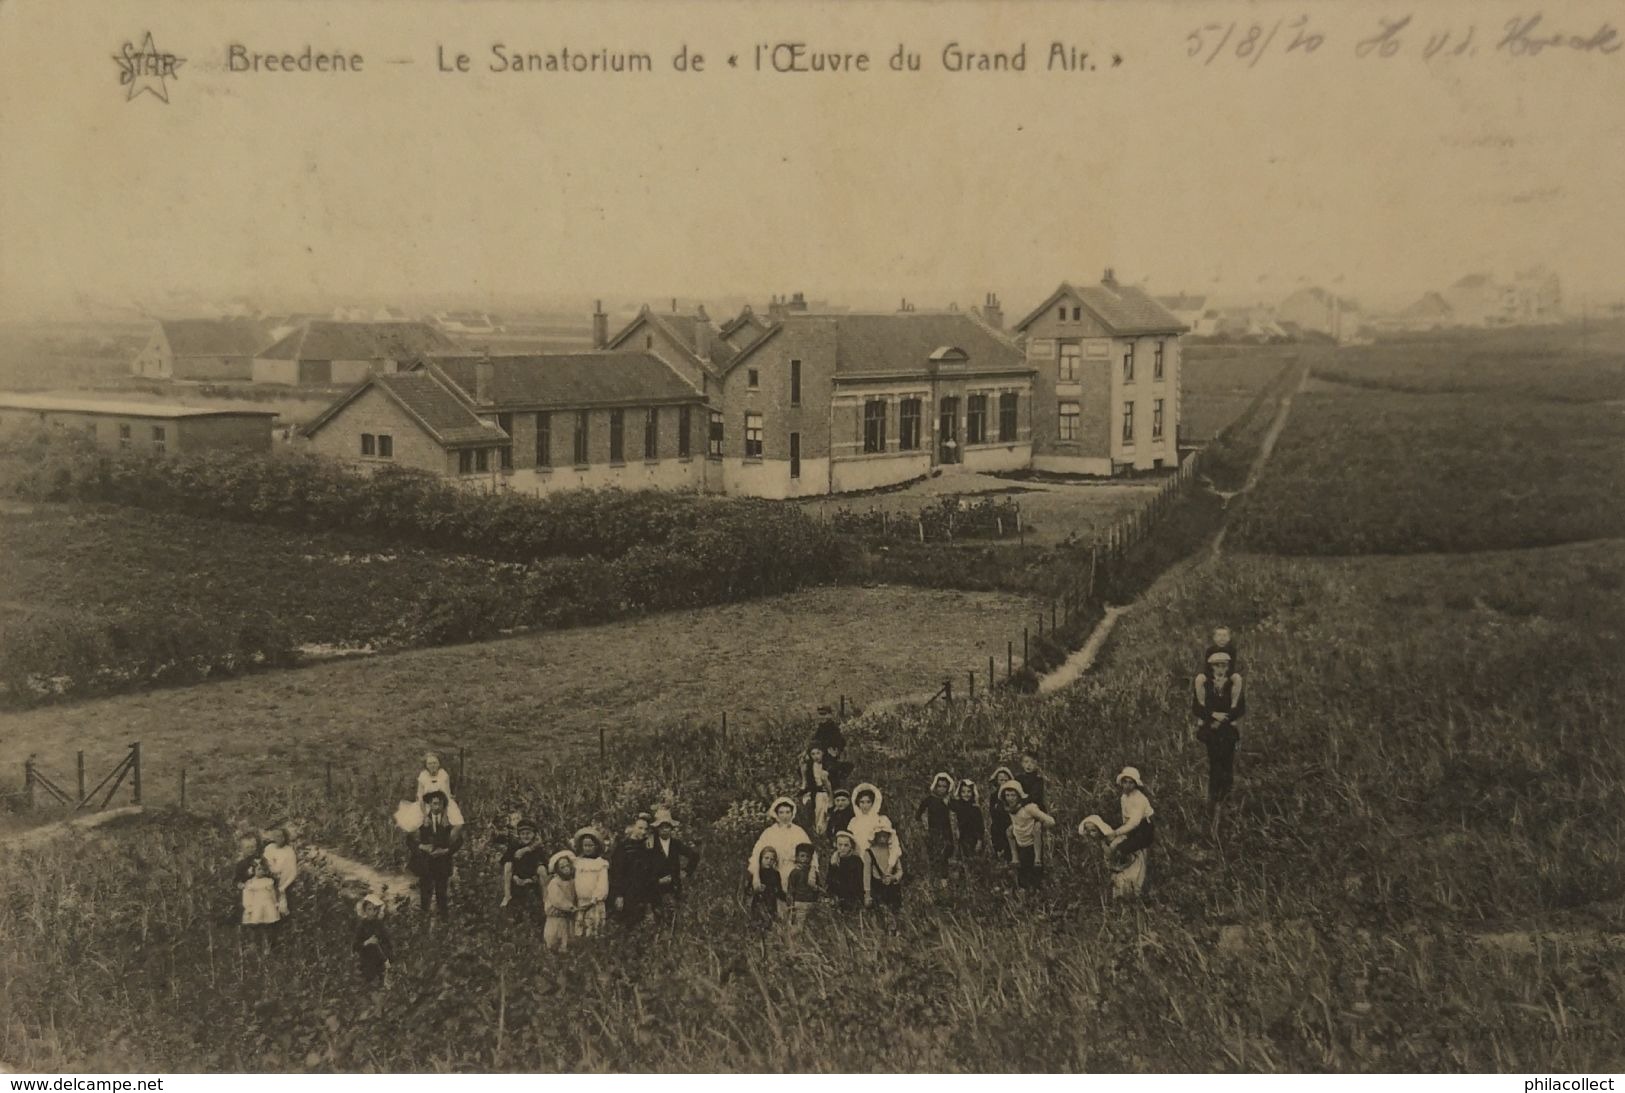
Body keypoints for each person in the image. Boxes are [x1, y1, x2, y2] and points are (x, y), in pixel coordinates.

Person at [1079, 767, 1156, 900]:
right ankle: (1121, 882)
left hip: (1144, 828)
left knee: (1123, 849)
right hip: (1131, 828)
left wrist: (1117, 832)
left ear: (1135, 784)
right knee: (1116, 845)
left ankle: (1135, 885)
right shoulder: (1124, 798)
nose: (1127, 785)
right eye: (1125, 782)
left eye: (1130, 782)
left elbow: (1135, 822)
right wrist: (1122, 834)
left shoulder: (1139, 799)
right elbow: (1125, 818)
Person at [1193, 649, 1246, 830]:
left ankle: (1227, 800)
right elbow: (1197, 708)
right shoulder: (1206, 684)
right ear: (1211, 667)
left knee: (1228, 764)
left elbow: (1240, 708)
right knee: (1215, 763)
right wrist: (1213, 715)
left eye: (1224, 665)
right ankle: (1213, 801)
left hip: (1227, 730)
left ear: (1228, 667)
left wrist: (1226, 718)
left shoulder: (1232, 684)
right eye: (1217, 665)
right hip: (1212, 731)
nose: (1220, 669)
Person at [408, 790, 460, 916]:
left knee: (442, 896)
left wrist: (446, 850)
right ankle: (424, 921)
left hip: (442, 863)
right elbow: (409, 840)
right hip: (426, 864)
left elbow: (459, 841)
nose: (436, 807)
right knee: (425, 895)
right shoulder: (421, 821)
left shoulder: (449, 821)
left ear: (443, 805)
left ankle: (444, 924)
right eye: (434, 804)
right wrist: (422, 846)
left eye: (439, 804)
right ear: (429, 805)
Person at [1000, 781, 1057, 891]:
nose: (1010, 798)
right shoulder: (1010, 809)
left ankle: (1038, 897)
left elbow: (1051, 821)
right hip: (1020, 844)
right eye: (1007, 795)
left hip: (1032, 845)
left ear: (1019, 795)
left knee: (1035, 875)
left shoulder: (1029, 808)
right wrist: (1014, 828)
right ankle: (1025, 898)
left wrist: (1040, 825)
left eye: (1013, 795)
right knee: (1022, 876)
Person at [748, 797, 813, 891]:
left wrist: (812, 871)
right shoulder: (769, 832)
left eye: (787, 812)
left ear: (792, 813)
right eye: (781, 812)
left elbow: (811, 852)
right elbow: (757, 854)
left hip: (794, 872)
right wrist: (756, 876)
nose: (785, 816)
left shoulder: (799, 831)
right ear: (776, 814)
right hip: (774, 872)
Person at [394, 752, 465, 833]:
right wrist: (425, 816)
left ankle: (447, 843)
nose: (432, 765)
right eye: (430, 763)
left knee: (458, 824)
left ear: (439, 764)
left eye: (435, 763)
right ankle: (423, 843)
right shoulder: (423, 776)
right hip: (426, 804)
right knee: (411, 825)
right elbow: (420, 797)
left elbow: (447, 795)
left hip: (443, 804)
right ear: (426, 765)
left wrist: (445, 815)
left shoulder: (444, 774)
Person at [647, 810, 700, 917]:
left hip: (673, 887)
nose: (665, 830)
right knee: (657, 915)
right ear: (657, 829)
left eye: (667, 827)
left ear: (671, 828)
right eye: (662, 827)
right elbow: (644, 867)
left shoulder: (676, 844)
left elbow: (694, 855)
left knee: (673, 915)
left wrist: (686, 871)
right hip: (655, 888)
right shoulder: (651, 845)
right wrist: (657, 880)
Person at [609, 812, 656, 925]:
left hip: (642, 893)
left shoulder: (646, 847)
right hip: (626, 893)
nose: (643, 832)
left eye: (645, 829)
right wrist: (619, 895)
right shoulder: (623, 847)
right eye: (640, 828)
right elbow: (617, 873)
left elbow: (650, 873)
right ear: (632, 827)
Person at [914, 772, 955, 884]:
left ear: (948, 788)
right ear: (935, 786)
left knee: (945, 855)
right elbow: (918, 814)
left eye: (944, 786)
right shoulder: (929, 800)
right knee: (933, 856)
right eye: (939, 786)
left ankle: (944, 880)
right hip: (933, 832)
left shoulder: (949, 801)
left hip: (947, 832)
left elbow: (957, 813)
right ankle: (933, 881)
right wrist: (923, 823)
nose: (941, 789)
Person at [572, 827, 611, 937]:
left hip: (594, 903)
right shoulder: (578, 862)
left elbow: (602, 884)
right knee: (581, 929)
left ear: (596, 847)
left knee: (594, 928)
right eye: (585, 846)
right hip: (581, 902)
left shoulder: (600, 864)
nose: (587, 848)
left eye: (590, 846)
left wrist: (595, 899)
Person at [500, 819, 546, 912]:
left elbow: (544, 864)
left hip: (532, 878)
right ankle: (507, 896)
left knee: (542, 869)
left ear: (534, 834)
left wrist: (528, 849)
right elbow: (504, 861)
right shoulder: (514, 847)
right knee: (508, 865)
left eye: (528, 833)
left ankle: (546, 898)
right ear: (519, 835)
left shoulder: (537, 848)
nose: (525, 836)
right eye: (523, 833)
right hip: (517, 877)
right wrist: (515, 876)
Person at [847, 783, 902, 860]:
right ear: (857, 803)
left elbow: (892, 842)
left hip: (877, 859)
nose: (865, 806)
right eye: (862, 802)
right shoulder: (853, 822)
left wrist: (891, 862)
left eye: (868, 802)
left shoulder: (881, 820)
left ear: (873, 803)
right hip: (858, 860)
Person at [864, 819, 904, 925]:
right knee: (880, 915)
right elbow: (866, 875)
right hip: (877, 888)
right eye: (879, 835)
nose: (882, 837)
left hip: (892, 888)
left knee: (895, 914)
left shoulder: (893, 851)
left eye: (885, 835)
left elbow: (900, 870)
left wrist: (894, 877)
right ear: (875, 836)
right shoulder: (869, 852)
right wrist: (867, 895)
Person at [352, 894, 394, 986]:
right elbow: (355, 946)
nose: (372, 912)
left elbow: (387, 941)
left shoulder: (379, 924)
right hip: (366, 957)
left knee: (384, 979)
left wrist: (387, 958)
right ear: (364, 910)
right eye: (369, 909)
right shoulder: (362, 925)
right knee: (369, 980)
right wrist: (367, 942)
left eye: (374, 909)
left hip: (379, 957)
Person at [543, 851, 578, 952]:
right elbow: (558, 899)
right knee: (555, 938)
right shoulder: (555, 883)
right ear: (557, 870)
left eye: (567, 865)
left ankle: (566, 952)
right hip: (557, 914)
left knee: (568, 936)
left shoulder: (572, 881)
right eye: (562, 867)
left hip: (568, 915)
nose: (566, 869)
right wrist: (570, 907)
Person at [747, 847, 788, 930]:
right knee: (758, 925)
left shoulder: (776, 874)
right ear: (761, 858)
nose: (769, 861)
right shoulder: (756, 873)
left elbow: (779, 891)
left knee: (770, 926)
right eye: (766, 858)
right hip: (759, 902)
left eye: (772, 859)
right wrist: (757, 889)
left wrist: (787, 898)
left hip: (771, 903)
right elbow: (748, 890)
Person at [825, 830, 866, 914]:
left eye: (846, 845)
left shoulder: (856, 861)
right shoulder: (834, 860)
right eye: (840, 845)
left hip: (852, 896)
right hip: (837, 896)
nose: (842, 848)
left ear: (851, 846)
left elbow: (858, 884)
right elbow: (830, 879)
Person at [262, 827, 298, 918]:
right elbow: (265, 864)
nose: (279, 839)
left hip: (283, 881)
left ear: (285, 837)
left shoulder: (289, 851)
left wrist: (283, 887)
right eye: (276, 836)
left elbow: (293, 872)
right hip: (270, 880)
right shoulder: (269, 848)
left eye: (281, 836)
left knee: (282, 906)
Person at [799, 746, 835, 834]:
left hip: (830, 792)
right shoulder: (810, 767)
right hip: (817, 793)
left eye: (818, 753)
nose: (816, 756)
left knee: (828, 814)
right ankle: (819, 832)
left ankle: (828, 833)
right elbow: (807, 781)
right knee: (818, 813)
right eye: (813, 754)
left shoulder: (828, 764)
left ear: (822, 753)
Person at [786, 842, 822, 926]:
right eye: (802, 856)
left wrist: (817, 891)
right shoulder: (795, 872)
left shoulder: (814, 872)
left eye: (808, 857)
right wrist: (791, 906)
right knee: (799, 926)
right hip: (799, 903)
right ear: (797, 857)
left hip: (812, 903)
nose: (805, 859)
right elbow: (791, 890)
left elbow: (818, 887)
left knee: (812, 926)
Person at [950, 778, 985, 863]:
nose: (966, 794)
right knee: (962, 859)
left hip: (973, 837)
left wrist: (979, 840)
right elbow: (949, 802)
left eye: (969, 791)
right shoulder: (958, 805)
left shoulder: (975, 808)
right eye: (963, 792)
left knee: (974, 859)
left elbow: (980, 826)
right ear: (960, 793)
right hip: (961, 836)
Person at [240, 858, 282, 928]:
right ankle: (258, 935)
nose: (261, 871)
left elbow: (272, 893)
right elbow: (247, 895)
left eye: (263, 869)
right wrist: (248, 907)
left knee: (269, 922)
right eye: (259, 869)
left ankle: (268, 936)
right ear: (253, 870)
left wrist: (275, 903)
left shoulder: (268, 881)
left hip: (268, 904)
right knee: (257, 922)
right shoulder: (251, 883)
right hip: (256, 905)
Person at [988, 766, 1015, 863]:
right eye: (1001, 780)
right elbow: (992, 812)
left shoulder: (1012, 794)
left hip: (1010, 824)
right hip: (998, 825)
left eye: (1006, 780)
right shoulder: (994, 796)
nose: (1003, 782)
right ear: (997, 781)